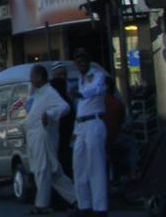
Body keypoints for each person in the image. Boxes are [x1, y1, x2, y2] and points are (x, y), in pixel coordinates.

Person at [24, 65, 76, 214]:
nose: (31, 79)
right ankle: (77, 200)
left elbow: (64, 107)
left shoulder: (49, 92)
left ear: (40, 77)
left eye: (33, 76)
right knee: (54, 174)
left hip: (44, 137)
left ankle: (41, 204)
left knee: (44, 171)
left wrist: (50, 115)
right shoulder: (37, 93)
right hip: (35, 138)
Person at [72, 49, 108, 216]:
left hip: (94, 122)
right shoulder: (80, 79)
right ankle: (84, 205)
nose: (81, 63)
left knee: (96, 166)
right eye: (78, 60)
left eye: (84, 60)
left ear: (89, 61)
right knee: (79, 166)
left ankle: (100, 208)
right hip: (81, 126)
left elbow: (96, 89)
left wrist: (80, 93)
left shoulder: (97, 75)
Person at [50, 63, 75, 178]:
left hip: (69, 136)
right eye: (60, 74)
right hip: (55, 137)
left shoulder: (70, 89)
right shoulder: (50, 90)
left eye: (64, 74)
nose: (63, 77)